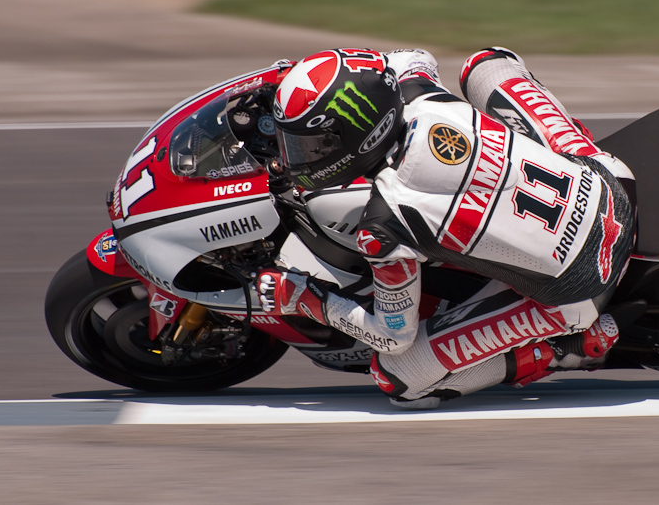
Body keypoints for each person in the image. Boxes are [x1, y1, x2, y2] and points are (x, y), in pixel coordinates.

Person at [258, 47, 636, 408]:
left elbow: (392, 335)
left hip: (582, 290)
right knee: (486, 62)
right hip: (610, 182)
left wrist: (304, 298)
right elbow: (415, 57)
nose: (294, 158)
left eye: (310, 147)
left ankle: (563, 350)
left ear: (357, 136)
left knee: (398, 378)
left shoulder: (384, 223)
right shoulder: (418, 91)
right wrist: (313, 78)